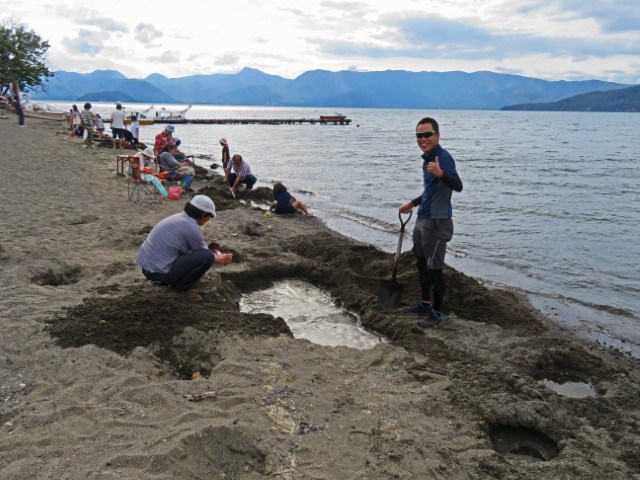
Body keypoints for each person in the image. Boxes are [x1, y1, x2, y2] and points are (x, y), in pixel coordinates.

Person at [399, 116, 463, 328]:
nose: (423, 138)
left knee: (434, 269)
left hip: (438, 223)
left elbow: (458, 185)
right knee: (421, 264)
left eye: (427, 135)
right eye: (419, 135)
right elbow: (430, 191)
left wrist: (441, 173)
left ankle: (436, 313)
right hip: (423, 219)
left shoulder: (443, 158)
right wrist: (413, 203)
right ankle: (425, 304)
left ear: (437, 136)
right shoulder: (428, 158)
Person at [136, 195, 233, 302]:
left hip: (147, 268)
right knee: (208, 256)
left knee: (204, 254)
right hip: (158, 275)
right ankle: (180, 290)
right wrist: (222, 258)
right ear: (204, 214)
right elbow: (205, 255)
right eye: (209, 218)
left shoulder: (179, 218)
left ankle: (178, 281)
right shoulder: (191, 228)